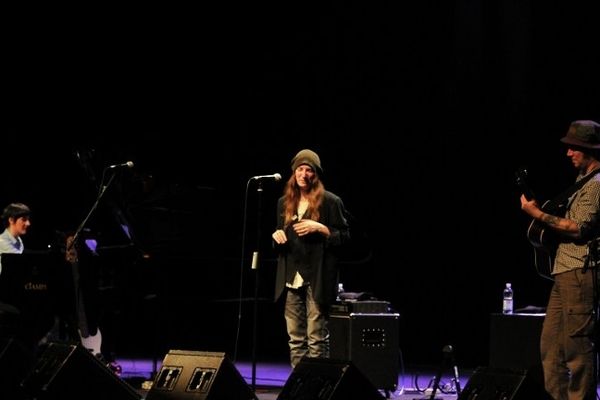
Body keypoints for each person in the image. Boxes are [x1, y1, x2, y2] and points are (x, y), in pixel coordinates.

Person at [520, 120, 600, 400]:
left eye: (573, 149)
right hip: (564, 270)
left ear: (588, 150)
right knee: (551, 347)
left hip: (581, 271)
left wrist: (536, 214)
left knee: (577, 348)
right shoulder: (583, 181)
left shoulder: (597, 185)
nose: (568, 154)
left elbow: (578, 227)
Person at [271, 149, 351, 368]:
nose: (303, 174)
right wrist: (276, 236)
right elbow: (280, 238)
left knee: (316, 339)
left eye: (309, 170)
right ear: (294, 173)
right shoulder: (283, 203)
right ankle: (300, 387)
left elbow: (347, 239)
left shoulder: (330, 202)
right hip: (291, 277)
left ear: (316, 175)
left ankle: (318, 388)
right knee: (296, 340)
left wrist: (322, 228)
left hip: (318, 278)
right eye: (300, 169)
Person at [0, 202, 31, 273]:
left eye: (28, 219)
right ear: (11, 220)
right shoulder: (2, 242)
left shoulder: (19, 240)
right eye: (24, 219)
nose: (28, 223)